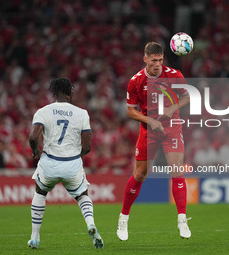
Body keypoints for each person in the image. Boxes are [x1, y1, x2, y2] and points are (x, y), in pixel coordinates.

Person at [117, 42, 191, 240]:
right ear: (145, 59)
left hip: (172, 127)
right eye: (154, 60)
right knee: (140, 174)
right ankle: (123, 219)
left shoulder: (174, 75)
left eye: (160, 60)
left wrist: (172, 107)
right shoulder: (136, 81)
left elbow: (187, 97)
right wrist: (150, 121)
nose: (158, 64)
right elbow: (131, 111)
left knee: (176, 170)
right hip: (148, 130)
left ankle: (182, 220)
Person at [27, 77, 103, 249]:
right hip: (72, 164)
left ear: (54, 93)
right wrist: (76, 155)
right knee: (82, 195)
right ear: (70, 92)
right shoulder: (82, 113)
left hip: (49, 163)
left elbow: (33, 137)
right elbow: (88, 145)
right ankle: (90, 224)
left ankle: (35, 237)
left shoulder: (43, 111)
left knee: (40, 192)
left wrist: (35, 151)